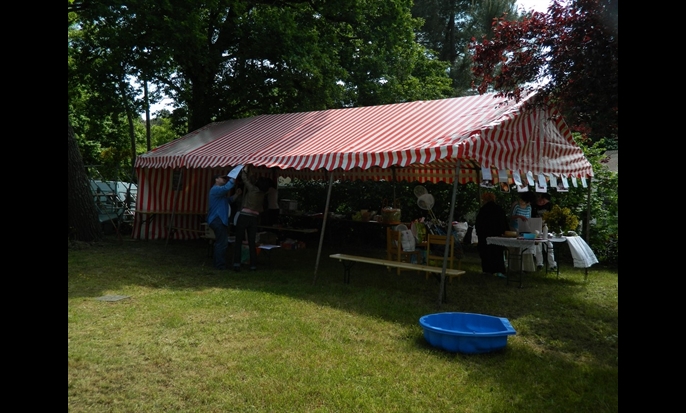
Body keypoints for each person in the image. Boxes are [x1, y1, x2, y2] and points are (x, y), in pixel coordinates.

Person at [232, 169, 271, 271]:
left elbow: (245, 180)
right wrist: (251, 175)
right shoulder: (263, 193)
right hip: (254, 218)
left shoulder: (253, 189)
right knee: (251, 242)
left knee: (239, 240)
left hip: (244, 216)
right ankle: (253, 265)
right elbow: (253, 182)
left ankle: (237, 264)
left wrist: (244, 171)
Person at [475, 192, 510, 277]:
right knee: (497, 253)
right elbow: (503, 223)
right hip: (497, 234)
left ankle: (487, 270)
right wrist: (504, 232)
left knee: (486, 253)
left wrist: (479, 233)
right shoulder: (499, 209)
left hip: (485, 235)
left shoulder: (483, 210)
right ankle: (498, 270)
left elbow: (479, 223)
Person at [207, 173, 237, 270]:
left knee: (220, 242)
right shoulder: (216, 189)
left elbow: (228, 201)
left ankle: (217, 264)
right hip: (218, 219)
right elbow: (226, 188)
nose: (224, 179)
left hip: (218, 220)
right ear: (216, 179)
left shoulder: (219, 193)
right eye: (222, 178)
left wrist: (237, 195)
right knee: (222, 243)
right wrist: (232, 179)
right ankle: (220, 266)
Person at [532, 193, 557, 271]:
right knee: (538, 246)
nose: (543, 203)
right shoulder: (533, 206)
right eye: (542, 201)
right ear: (540, 198)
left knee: (549, 245)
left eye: (545, 202)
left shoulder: (549, 206)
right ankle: (539, 264)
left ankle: (552, 264)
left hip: (546, 227)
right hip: (536, 228)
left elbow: (552, 217)